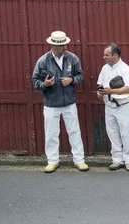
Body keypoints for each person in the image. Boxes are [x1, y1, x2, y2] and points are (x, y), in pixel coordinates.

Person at [31, 31, 88, 173]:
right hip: (51, 103)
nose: (65, 47)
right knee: (51, 133)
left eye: (65, 43)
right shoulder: (43, 61)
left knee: (74, 131)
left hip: (69, 102)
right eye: (62, 45)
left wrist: (72, 80)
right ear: (54, 46)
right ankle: (52, 161)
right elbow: (34, 80)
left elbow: (80, 75)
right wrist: (45, 84)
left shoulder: (73, 58)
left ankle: (79, 160)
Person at [96, 43, 129, 172]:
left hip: (123, 106)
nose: (104, 57)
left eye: (106, 55)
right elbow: (100, 84)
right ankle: (117, 159)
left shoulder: (125, 69)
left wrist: (111, 92)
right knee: (112, 133)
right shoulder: (104, 69)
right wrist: (99, 93)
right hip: (109, 105)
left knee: (126, 133)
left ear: (115, 55)